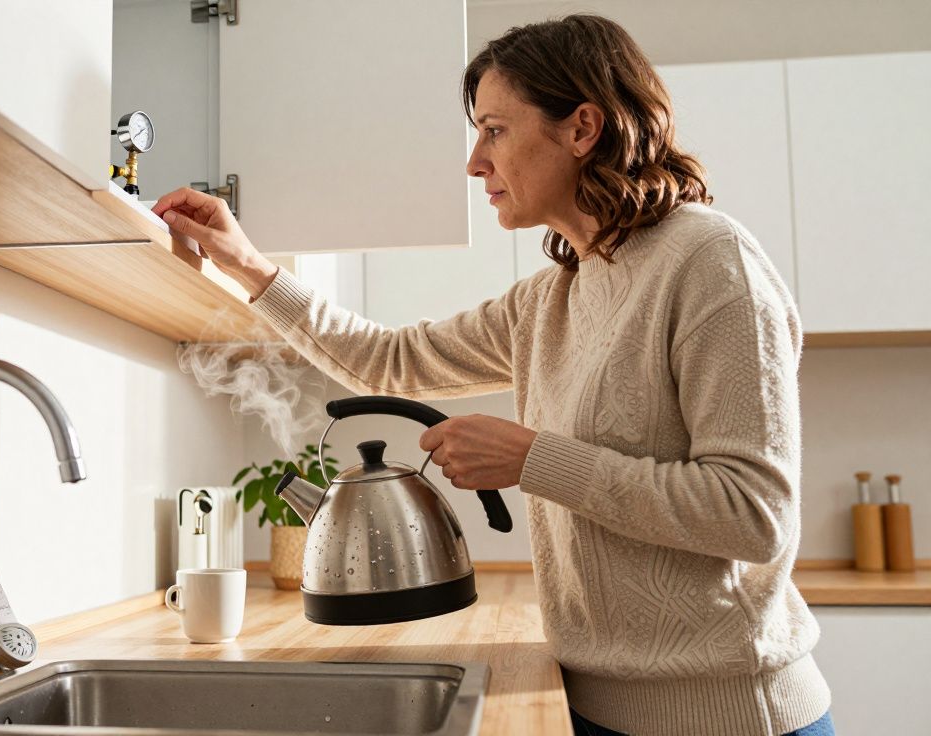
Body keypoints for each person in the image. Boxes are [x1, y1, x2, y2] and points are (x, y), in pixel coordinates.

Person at [151, 14, 833, 736]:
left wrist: (531, 458)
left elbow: (754, 515)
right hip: (591, 703)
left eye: (495, 130)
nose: (475, 162)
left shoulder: (709, 261)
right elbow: (393, 358)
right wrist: (253, 267)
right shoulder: (554, 296)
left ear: (582, 129)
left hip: (733, 718)